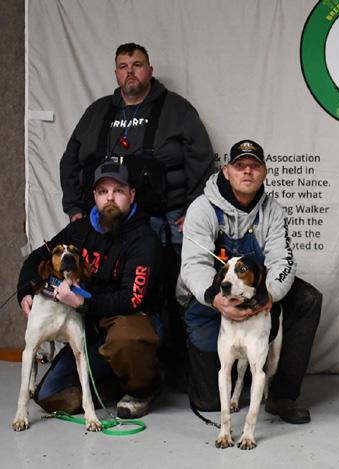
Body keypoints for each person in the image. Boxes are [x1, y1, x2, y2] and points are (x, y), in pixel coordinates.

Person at [59, 42, 215, 390]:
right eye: (123, 66)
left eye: (137, 64)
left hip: (167, 216)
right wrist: (75, 208)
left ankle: (179, 365)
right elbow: (70, 160)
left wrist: (194, 209)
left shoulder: (176, 109)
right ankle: (117, 361)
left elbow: (202, 159)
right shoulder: (98, 112)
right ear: (116, 73)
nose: (130, 71)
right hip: (110, 220)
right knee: (105, 282)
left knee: (177, 290)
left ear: (150, 70)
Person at [178, 139, 322, 424]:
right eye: (240, 165)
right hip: (211, 300)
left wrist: (268, 295)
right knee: (208, 400)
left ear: (264, 173)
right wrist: (216, 300)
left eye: (254, 166)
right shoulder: (202, 209)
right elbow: (193, 265)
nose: (247, 171)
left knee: (308, 299)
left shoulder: (273, 211)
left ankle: (281, 395)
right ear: (226, 171)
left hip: (255, 295)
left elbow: (282, 261)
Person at [17, 161, 163, 418]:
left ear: (131, 195)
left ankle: (142, 388)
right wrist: (25, 292)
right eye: (103, 191)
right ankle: (114, 383)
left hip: (129, 320)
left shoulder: (144, 239)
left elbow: (132, 298)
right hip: (91, 326)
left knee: (126, 339)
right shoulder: (79, 230)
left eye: (118, 191)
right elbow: (37, 258)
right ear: (95, 196)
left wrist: (83, 303)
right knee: (51, 396)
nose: (110, 197)